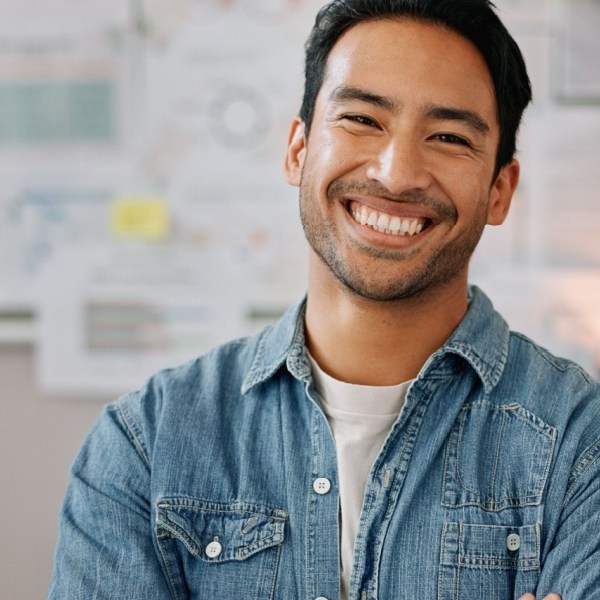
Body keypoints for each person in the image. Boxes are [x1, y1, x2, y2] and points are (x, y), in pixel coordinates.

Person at [49, 0, 600, 598]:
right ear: (298, 150)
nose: (396, 174)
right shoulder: (146, 445)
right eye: (362, 119)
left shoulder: (580, 443)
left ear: (499, 190)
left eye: (447, 136)